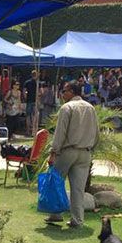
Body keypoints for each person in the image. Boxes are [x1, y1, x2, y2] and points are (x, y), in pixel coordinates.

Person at [45, 81, 98, 229]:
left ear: (72, 92)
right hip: (85, 153)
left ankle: (56, 214)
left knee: (56, 182)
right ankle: (77, 220)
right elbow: (96, 132)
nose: (62, 94)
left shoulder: (66, 108)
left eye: (64, 91)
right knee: (78, 189)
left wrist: (53, 152)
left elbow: (60, 133)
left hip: (68, 151)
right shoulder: (90, 108)